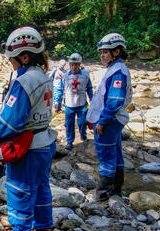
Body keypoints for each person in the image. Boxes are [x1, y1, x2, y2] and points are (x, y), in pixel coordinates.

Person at [0, 26, 57, 231]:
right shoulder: (43, 77)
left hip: (28, 148)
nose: (11, 63)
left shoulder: (24, 81)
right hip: (45, 142)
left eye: (12, 59)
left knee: (19, 191)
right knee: (42, 188)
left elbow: (12, 122)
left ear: (24, 56)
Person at [86, 33, 132, 201]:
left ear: (117, 52)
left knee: (106, 156)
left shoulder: (118, 71)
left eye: (105, 52)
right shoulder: (115, 69)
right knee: (115, 155)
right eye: (101, 52)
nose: (102, 56)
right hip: (113, 120)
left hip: (109, 121)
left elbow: (114, 100)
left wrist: (102, 121)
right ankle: (116, 191)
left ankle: (103, 195)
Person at [55, 53, 93, 150]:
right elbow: (60, 89)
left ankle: (83, 136)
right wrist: (57, 101)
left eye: (76, 64)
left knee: (82, 123)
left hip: (82, 104)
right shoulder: (64, 76)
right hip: (69, 105)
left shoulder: (85, 75)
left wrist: (92, 100)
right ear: (69, 64)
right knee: (69, 124)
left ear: (79, 64)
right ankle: (69, 142)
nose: (74, 67)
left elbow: (89, 88)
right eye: (72, 64)